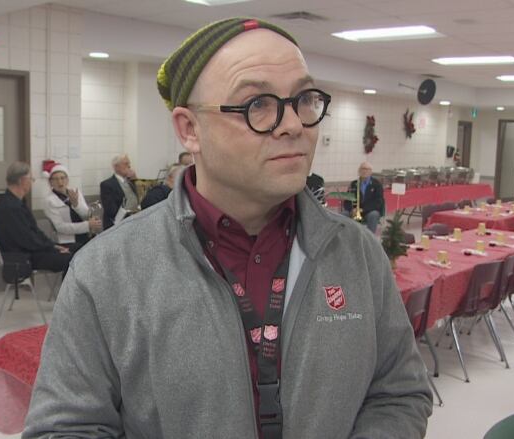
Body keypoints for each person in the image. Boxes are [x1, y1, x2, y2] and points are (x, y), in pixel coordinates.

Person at [24, 17, 431, 439]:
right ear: (190, 129)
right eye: (258, 105)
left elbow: (398, 392)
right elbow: (66, 428)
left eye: (304, 100)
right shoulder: (106, 271)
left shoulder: (358, 254)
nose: (292, 125)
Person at [0, 161, 72, 275]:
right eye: (31, 178)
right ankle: (70, 292)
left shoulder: (16, 203)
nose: (32, 182)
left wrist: (53, 245)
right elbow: (27, 240)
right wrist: (51, 248)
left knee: (75, 253)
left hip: (30, 251)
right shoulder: (9, 207)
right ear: (22, 180)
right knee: (73, 260)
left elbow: (34, 232)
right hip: (22, 257)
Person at [43, 164, 101, 248]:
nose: (60, 182)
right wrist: (87, 225)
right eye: (55, 179)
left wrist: (76, 204)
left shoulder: (75, 192)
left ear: (67, 180)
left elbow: (86, 214)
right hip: (67, 241)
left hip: (86, 236)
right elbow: (60, 227)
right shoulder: (49, 201)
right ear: (50, 182)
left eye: (62, 178)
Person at [343, 162, 385, 233]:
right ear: (359, 171)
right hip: (354, 211)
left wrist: (362, 210)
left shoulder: (377, 184)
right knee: (341, 215)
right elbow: (347, 200)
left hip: (369, 211)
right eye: (363, 169)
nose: (365, 171)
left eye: (367, 169)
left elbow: (378, 202)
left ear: (371, 172)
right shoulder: (353, 184)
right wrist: (351, 209)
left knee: (373, 215)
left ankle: (370, 239)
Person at [99, 154, 138, 230]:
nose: (129, 166)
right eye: (126, 164)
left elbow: (140, 199)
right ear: (116, 167)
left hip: (134, 222)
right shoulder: (107, 185)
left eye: (129, 163)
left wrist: (135, 180)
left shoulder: (131, 182)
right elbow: (111, 210)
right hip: (117, 225)